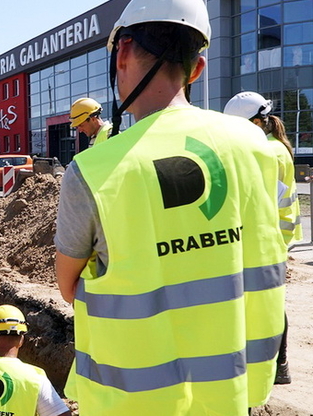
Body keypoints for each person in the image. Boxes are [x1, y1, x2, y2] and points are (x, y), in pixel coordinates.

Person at [53, 0, 287, 414]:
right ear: (197, 68)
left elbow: (69, 287)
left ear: (122, 52)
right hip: (230, 394)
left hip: (132, 401)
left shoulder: (93, 170)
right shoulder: (255, 147)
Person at [224, 91, 301, 386]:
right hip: (272, 237)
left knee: (268, 305)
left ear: (256, 122)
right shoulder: (271, 146)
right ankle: (277, 366)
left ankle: (279, 366)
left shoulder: (268, 151)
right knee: (267, 303)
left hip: (269, 240)